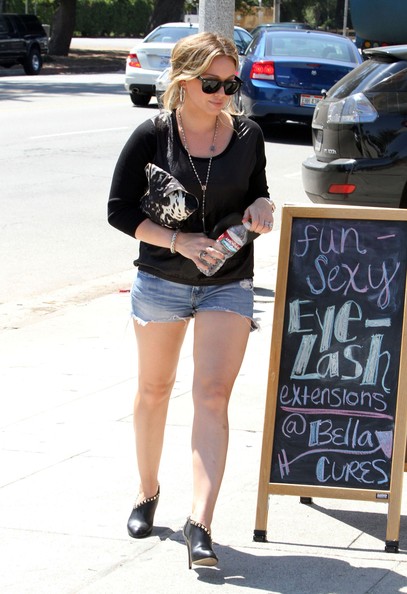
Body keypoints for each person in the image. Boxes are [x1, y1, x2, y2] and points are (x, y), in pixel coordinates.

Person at [108, 31, 275, 569]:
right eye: (211, 83)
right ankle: (147, 490)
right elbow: (118, 210)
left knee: (213, 394)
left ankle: (200, 521)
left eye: (231, 84)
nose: (222, 93)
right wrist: (177, 240)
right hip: (162, 279)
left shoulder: (248, 135)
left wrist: (263, 206)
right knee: (155, 389)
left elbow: (257, 189)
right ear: (183, 80)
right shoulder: (152, 135)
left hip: (229, 279)